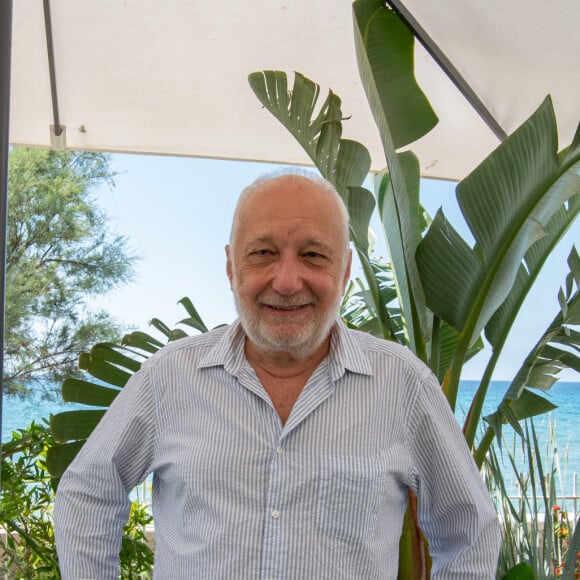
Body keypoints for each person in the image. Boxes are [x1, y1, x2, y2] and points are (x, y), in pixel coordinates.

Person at [54, 171, 501, 578]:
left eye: (312, 255)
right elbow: (87, 491)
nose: (287, 281)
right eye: (263, 253)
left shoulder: (403, 386)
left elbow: (470, 532)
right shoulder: (168, 377)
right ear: (232, 266)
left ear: (344, 271)